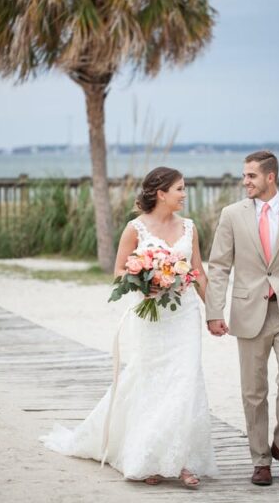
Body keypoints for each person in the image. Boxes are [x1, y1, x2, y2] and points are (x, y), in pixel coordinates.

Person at [41, 167, 218, 488]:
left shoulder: (189, 227)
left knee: (186, 382)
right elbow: (119, 271)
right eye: (179, 189)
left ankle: (184, 462)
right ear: (161, 193)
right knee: (149, 380)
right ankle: (148, 457)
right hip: (151, 316)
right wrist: (146, 280)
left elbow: (198, 272)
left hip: (184, 314)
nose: (184, 194)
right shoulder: (135, 228)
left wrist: (213, 313)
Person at [205, 150, 279, 486]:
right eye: (244, 176)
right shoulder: (231, 215)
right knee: (253, 391)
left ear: (271, 177)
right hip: (248, 311)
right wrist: (214, 311)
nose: (245, 182)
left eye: (251, 176)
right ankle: (260, 460)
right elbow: (220, 265)